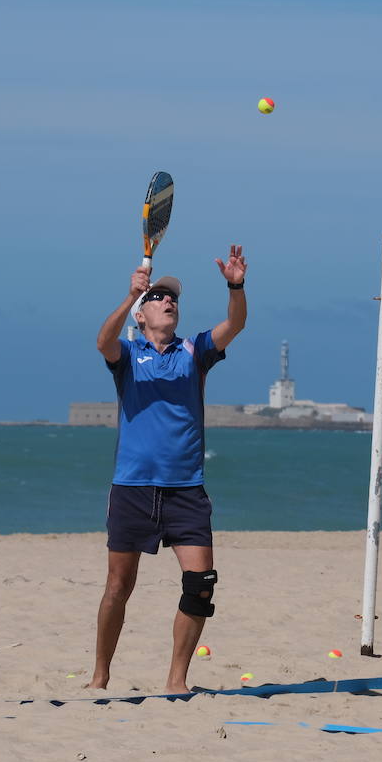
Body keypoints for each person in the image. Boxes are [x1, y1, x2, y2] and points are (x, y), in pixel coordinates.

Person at [91, 245, 247, 694]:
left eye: (172, 297)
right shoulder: (127, 355)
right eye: (158, 297)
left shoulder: (194, 351)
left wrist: (235, 286)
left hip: (186, 491)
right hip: (133, 489)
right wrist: (128, 297)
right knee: (119, 586)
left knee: (200, 585)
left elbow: (235, 324)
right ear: (141, 315)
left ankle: (177, 680)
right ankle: (100, 675)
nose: (168, 301)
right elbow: (102, 342)